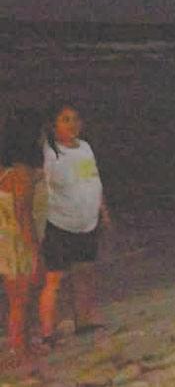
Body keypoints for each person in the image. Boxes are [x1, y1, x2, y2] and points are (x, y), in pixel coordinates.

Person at [38, 103, 110, 345]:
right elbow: (38, 187)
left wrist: (103, 210)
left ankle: (83, 321)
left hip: (87, 222)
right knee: (54, 279)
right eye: (65, 119)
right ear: (54, 125)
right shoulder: (50, 152)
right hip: (60, 223)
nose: (72, 124)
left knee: (84, 272)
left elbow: (92, 179)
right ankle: (47, 333)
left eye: (75, 119)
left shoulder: (85, 147)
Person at [0, 110, 44, 359]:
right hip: (17, 239)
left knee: (14, 297)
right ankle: (21, 347)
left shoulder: (4, 171)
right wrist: (34, 248)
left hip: (3, 239)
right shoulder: (22, 173)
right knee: (24, 297)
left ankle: (19, 344)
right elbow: (23, 214)